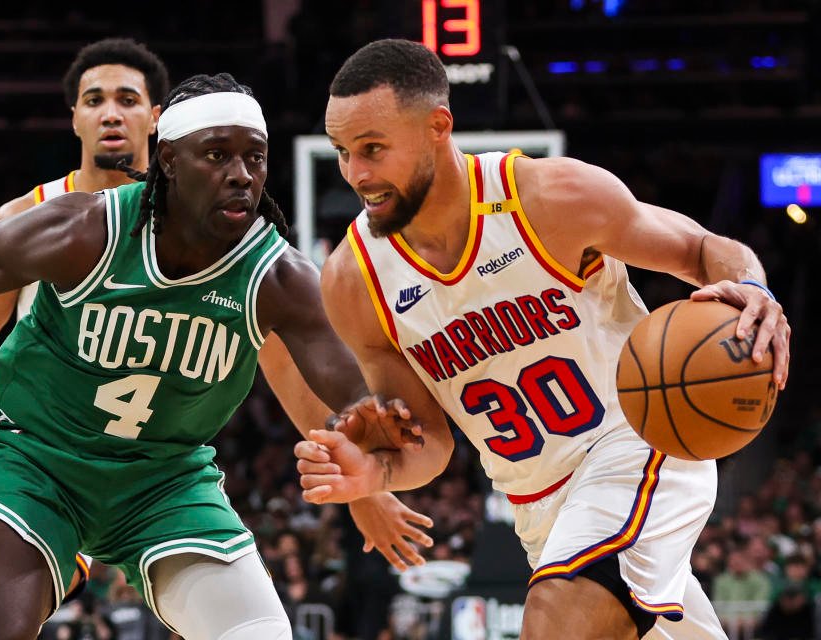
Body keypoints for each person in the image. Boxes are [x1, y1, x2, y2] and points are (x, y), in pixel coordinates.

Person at [0, 73, 419, 640]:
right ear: (169, 161)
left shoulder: (277, 276)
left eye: (255, 157)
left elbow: (348, 389)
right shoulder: (84, 231)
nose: (241, 175)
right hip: (36, 462)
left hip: (164, 480)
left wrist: (370, 421)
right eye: (218, 155)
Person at [295, 39, 791, 640]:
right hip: (536, 508)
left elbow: (699, 249)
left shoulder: (549, 197)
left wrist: (753, 286)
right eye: (344, 153)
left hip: (639, 443)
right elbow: (428, 444)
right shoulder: (354, 279)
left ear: (438, 127)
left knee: (554, 624)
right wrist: (376, 472)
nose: (357, 174)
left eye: (373, 149)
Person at [0, 37, 170, 602]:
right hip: (40, 453)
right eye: (94, 100)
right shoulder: (26, 217)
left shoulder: (192, 226)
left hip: (154, 459)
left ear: (156, 117)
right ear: (75, 118)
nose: (111, 112)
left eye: (127, 98)